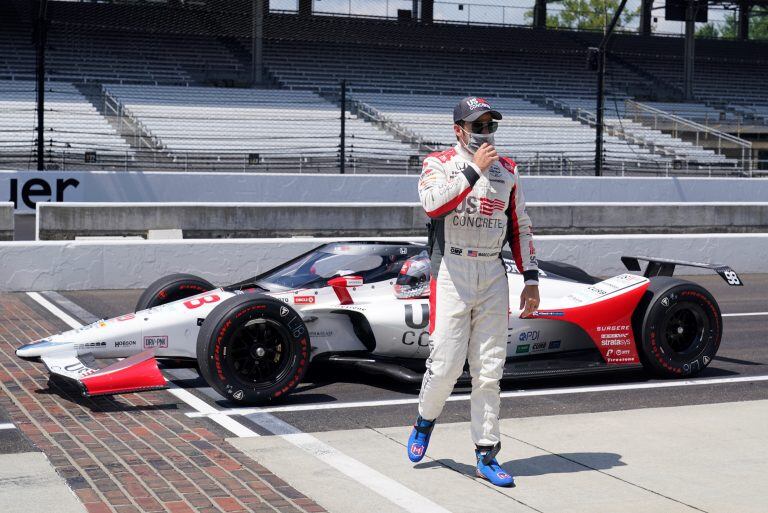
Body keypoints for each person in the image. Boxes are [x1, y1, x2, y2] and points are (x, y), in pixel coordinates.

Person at [406, 96, 539, 487]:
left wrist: (530, 278)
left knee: (489, 370)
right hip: (451, 268)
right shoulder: (436, 163)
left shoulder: (509, 171)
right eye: (477, 126)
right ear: (458, 130)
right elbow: (432, 205)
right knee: (445, 365)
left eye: (489, 125)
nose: (484, 133)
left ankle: (486, 452)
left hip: (492, 272)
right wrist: (472, 170)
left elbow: (521, 227)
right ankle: (425, 420)